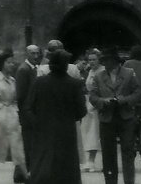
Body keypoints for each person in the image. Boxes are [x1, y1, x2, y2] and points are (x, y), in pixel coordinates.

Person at [24, 48, 86, 184]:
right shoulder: (74, 84)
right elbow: (82, 111)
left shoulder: (39, 82)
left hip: (43, 132)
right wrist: (69, 118)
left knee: (42, 165)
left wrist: (38, 123)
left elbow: (28, 108)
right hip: (66, 133)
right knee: (66, 171)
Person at [89, 48, 141, 184]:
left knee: (128, 152)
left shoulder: (129, 74)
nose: (105, 63)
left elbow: (137, 93)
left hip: (126, 117)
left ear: (115, 61)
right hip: (107, 117)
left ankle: (129, 181)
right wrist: (103, 101)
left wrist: (124, 100)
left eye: (107, 60)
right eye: (103, 61)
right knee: (108, 153)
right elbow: (93, 96)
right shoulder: (99, 76)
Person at [0, 52, 29, 183]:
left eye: (12, 62)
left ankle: (25, 175)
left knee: (17, 147)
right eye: (8, 62)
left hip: (12, 117)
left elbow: (15, 100)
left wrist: (17, 112)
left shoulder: (13, 80)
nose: (12, 65)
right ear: (2, 63)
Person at [14, 44, 40, 164]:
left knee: (31, 142)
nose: (36, 56)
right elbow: (21, 95)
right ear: (27, 54)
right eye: (33, 53)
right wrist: (24, 113)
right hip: (27, 112)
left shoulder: (34, 68)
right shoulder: (23, 70)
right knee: (27, 143)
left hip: (32, 111)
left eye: (37, 53)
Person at [79, 48, 102, 172]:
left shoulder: (102, 71)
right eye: (90, 60)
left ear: (99, 60)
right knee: (86, 132)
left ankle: (91, 161)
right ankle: (87, 160)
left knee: (94, 133)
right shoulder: (90, 71)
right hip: (88, 103)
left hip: (97, 104)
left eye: (94, 59)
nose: (92, 62)